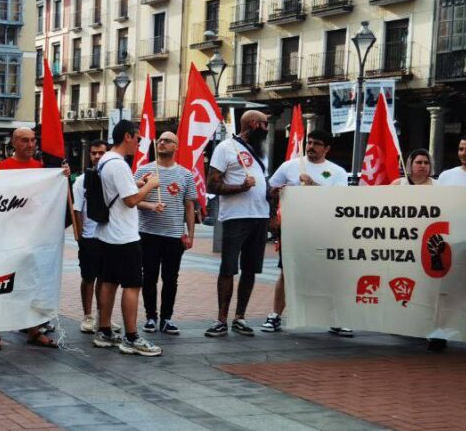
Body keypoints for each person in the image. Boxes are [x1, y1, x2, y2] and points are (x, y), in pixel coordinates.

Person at [0, 127, 67, 351]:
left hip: (33, 236)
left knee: (32, 283)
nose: (30, 145)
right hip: (8, 237)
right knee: (2, 284)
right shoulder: (2, 168)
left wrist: (62, 177)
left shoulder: (42, 169)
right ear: (14, 143)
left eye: (33, 140)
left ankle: (33, 329)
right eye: (24, 141)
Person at [262, 130, 348, 334]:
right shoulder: (290, 166)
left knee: (330, 273)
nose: (311, 147)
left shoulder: (337, 172)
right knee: (287, 271)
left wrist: (313, 185)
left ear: (326, 148)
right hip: (293, 228)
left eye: (317, 143)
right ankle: (275, 316)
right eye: (309, 142)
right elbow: (269, 191)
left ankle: (336, 318)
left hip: (325, 229)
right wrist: (274, 199)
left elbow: (341, 200)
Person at [90, 120, 163, 356]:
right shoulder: (119, 165)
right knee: (132, 285)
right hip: (123, 235)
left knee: (109, 281)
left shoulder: (105, 160)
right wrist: (150, 184)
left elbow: (119, 192)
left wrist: (138, 184)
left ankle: (104, 330)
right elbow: (130, 201)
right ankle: (131, 337)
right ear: (128, 137)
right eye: (138, 138)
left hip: (107, 232)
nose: (139, 143)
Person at [206, 110, 270, 337]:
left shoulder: (262, 152)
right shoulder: (226, 148)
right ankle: (221, 319)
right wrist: (240, 187)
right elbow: (211, 185)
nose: (268, 128)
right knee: (229, 268)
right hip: (236, 217)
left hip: (260, 216)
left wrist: (273, 192)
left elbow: (264, 182)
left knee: (251, 269)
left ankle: (239, 318)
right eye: (265, 124)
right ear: (253, 124)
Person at [133, 131, 196, 336]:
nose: (162, 143)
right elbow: (132, 200)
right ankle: (150, 317)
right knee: (148, 277)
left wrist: (190, 234)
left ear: (176, 146)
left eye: (167, 141)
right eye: (159, 140)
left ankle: (166, 318)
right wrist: (151, 205)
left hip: (174, 236)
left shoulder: (186, 175)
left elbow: (189, 206)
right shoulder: (144, 171)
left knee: (171, 279)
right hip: (148, 233)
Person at [428, 135, 466, 353]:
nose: (463, 153)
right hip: (451, 242)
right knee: (445, 291)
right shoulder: (447, 176)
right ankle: (439, 334)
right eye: (460, 149)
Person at [72, 140, 107, 334]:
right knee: (88, 277)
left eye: (101, 153)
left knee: (105, 278)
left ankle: (104, 316)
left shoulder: (111, 179)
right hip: (89, 237)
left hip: (108, 236)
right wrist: (80, 237)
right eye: (94, 153)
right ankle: (87, 316)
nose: (97, 157)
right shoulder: (81, 181)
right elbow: (77, 210)